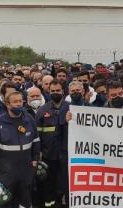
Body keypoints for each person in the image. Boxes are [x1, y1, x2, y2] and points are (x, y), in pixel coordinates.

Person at [0, 91, 40, 208]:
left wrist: (35, 159)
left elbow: (36, 141)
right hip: (6, 172)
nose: (19, 104)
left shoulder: (29, 119)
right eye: (15, 102)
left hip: (26, 170)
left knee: (25, 202)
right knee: (4, 202)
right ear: (7, 104)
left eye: (20, 101)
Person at [36, 79, 69, 208]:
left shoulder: (70, 109)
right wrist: (37, 153)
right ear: (48, 92)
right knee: (49, 184)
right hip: (48, 155)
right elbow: (37, 135)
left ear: (63, 91)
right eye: (53, 91)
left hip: (66, 155)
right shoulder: (42, 110)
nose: (55, 93)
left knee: (65, 184)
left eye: (58, 91)